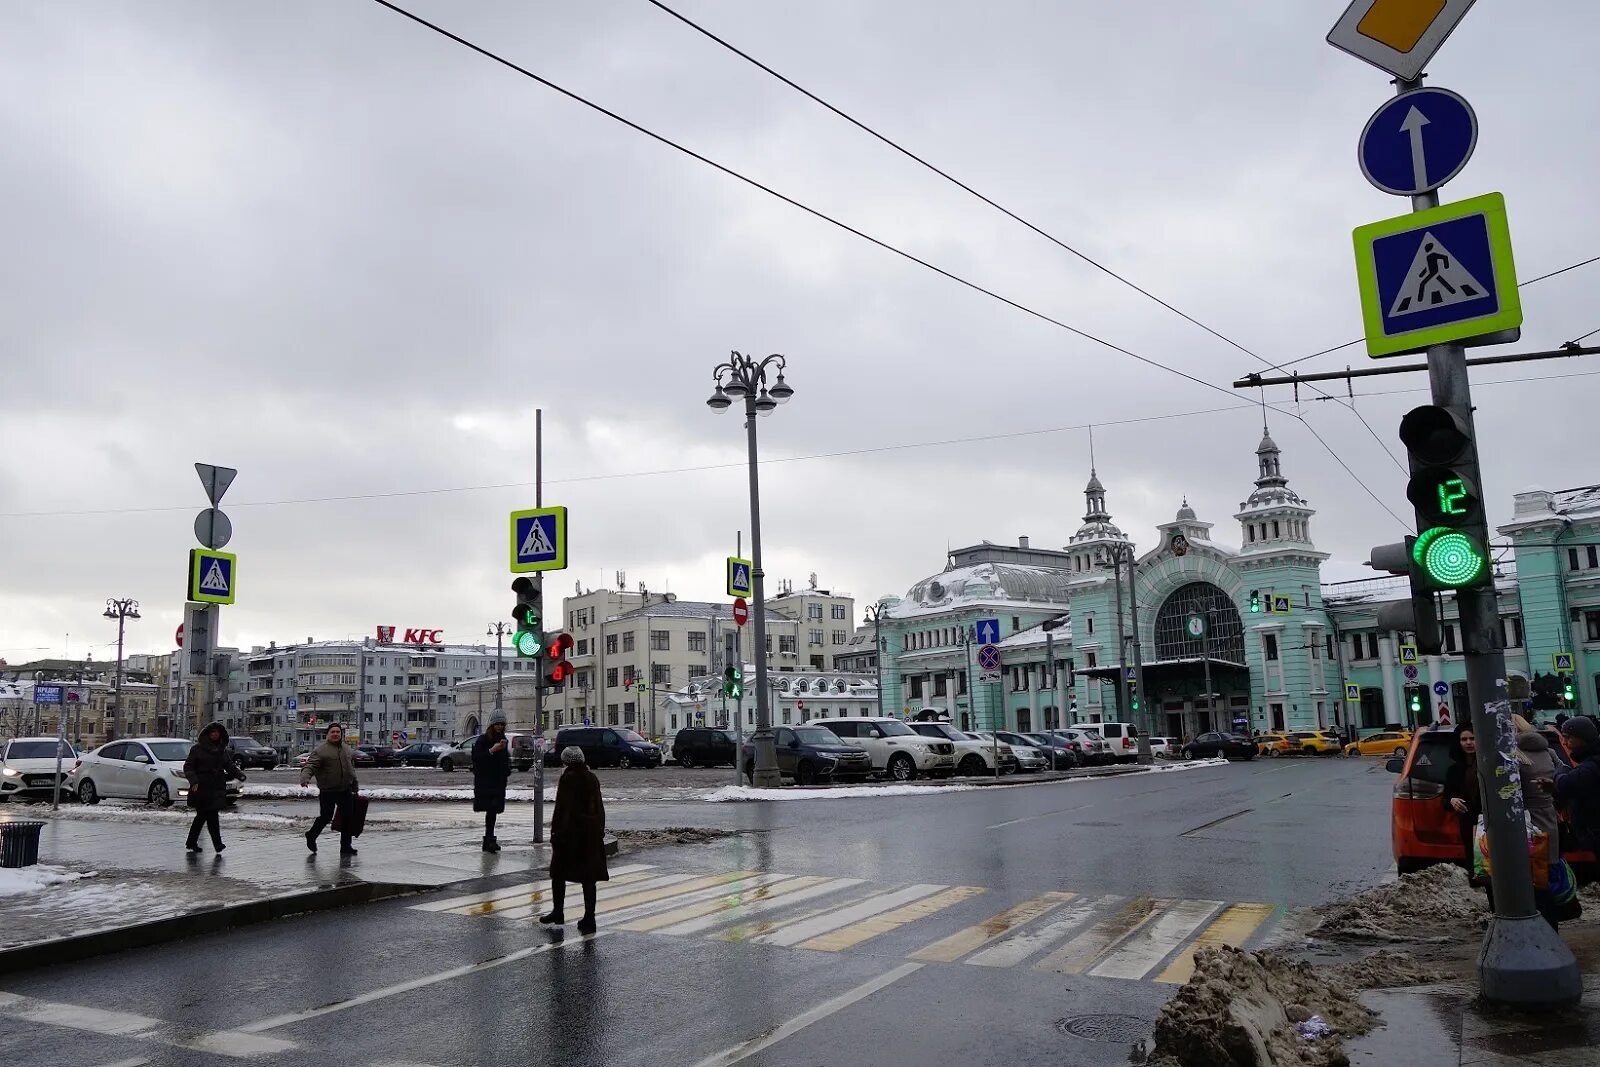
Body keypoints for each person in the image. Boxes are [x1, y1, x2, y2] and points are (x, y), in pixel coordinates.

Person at [541, 745, 608, 934]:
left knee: (558, 874)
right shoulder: (592, 777)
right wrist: (599, 829)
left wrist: (556, 834)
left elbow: (563, 810)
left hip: (570, 835)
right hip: (590, 834)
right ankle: (589, 917)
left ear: (566, 762)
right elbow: (599, 807)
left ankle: (558, 911)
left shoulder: (568, 778)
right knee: (589, 878)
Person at [182, 721, 245, 854]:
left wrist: (239, 775)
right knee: (207, 816)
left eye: (217, 732)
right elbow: (188, 766)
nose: (215, 735)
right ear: (208, 734)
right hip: (201, 787)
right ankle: (215, 844)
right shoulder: (197, 749)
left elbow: (229, 765)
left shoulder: (221, 750)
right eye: (213, 732)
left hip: (216, 787)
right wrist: (194, 781)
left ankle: (195, 842)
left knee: (206, 816)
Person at [301, 723, 359, 856]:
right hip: (328, 790)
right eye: (332, 732)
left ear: (341, 734)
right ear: (328, 734)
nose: (335, 734)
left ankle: (346, 847)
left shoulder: (346, 749)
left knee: (348, 818)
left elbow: (351, 770)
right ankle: (311, 835)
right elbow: (310, 766)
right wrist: (305, 778)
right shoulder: (321, 750)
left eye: (338, 732)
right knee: (326, 817)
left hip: (345, 789)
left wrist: (355, 785)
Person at [1441, 721, 1480, 877]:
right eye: (1464, 739)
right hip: (1468, 823)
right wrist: (1452, 801)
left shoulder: (1488, 763)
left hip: (1491, 823)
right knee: (1475, 867)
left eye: (1472, 738)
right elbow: (1446, 798)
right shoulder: (1454, 770)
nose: (1469, 743)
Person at [473, 714, 512, 853]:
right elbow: (477, 757)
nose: (500, 727)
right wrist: (491, 750)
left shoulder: (503, 739)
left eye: (502, 724)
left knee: (493, 811)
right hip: (486, 781)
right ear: (492, 725)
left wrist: (507, 770)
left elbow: (505, 759)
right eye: (497, 724)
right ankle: (488, 840)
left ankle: (490, 840)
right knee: (490, 810)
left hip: (498, 781)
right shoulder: (483, 739)